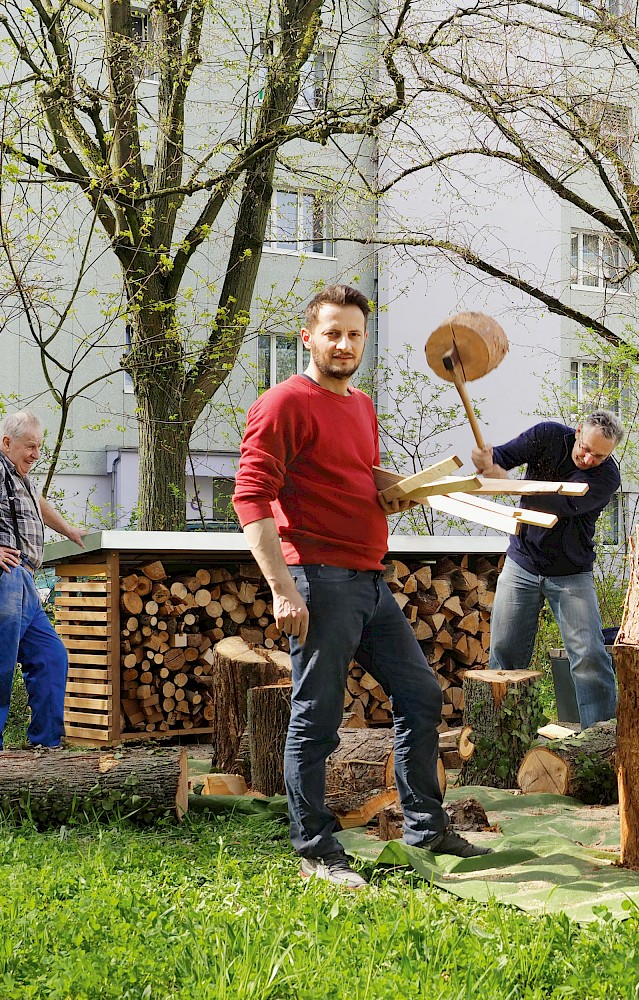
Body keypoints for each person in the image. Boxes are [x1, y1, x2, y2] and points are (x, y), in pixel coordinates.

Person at [234, 285, 489, 889]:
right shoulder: (283, 404)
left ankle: (426, 827)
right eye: (332, 333)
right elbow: (250, 497)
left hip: (370, 578)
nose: (344, 344)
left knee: (421, 693)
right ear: (308, 337)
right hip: (318, 580)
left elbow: (353, 480)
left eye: (354, 334)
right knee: (317, 717)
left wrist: (404, 491)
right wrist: (282, 589)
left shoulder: (362, 405)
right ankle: (316, 849)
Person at [471, 410, 624, 728]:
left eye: (599, 455)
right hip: (522, 561)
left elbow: (560, 504)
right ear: (578, 431)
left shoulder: (607, 477)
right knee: (504, 651)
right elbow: (506, 454)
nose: (588, 458)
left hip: (571, 573)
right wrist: (489, 460)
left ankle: (599, 737)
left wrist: (509, 484)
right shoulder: (548, 435)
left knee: (588, 656)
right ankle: (498, 737)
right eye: (586, 448)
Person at [0, 412, 85, 762]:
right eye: (30, 446)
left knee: (50, 657)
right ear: (7, 442)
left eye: (39, 447)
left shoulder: (19, 477)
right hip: (2, 577)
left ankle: (45, 748)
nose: (36, 454)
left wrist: (69, 531)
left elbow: (37, 505)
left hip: (24, 581)